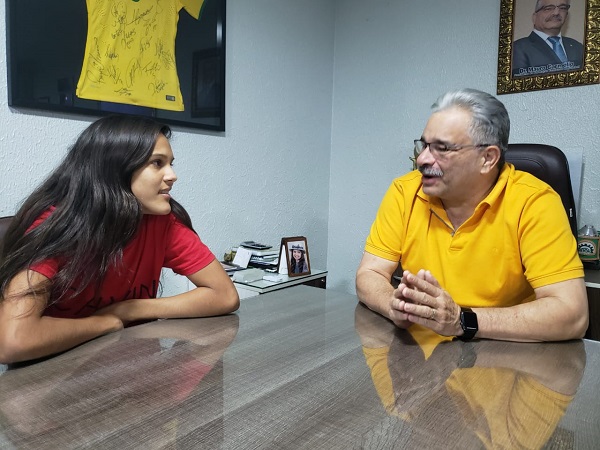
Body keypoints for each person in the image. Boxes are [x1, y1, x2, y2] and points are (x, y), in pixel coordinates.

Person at [0, 115, 240, 364]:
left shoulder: (162, 221)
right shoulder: (57, 226)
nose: (172, 175)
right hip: (56, 373)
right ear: (115, 169)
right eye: (157, 163)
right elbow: (13, 341)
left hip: (134, 368)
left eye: (170, 163)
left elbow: (224, 295)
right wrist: (106, 323)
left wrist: (129, 309)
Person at [355, 88, 588, 342]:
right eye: (424, 145)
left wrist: (461, 320)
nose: (422, 159)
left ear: (487, 158)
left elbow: (572, 315)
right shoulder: (405, 191)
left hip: (501, 354)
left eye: (441, 148)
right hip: (416, 357)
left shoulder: (534, 202)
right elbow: (370, 274)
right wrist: (394, 305)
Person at [512, 0, 584, 77]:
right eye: (548, 8)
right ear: (534, 17)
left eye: (562, 8)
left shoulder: (578, 47)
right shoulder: (517, 48)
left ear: (566, 15)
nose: (556, 13)